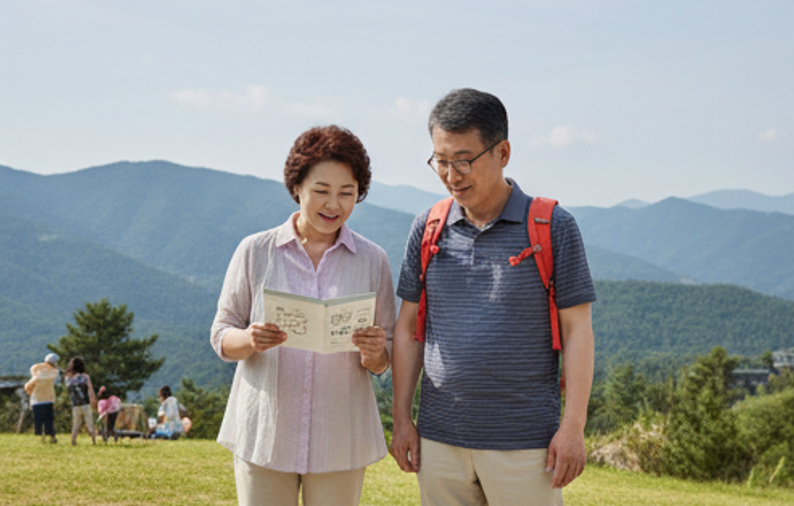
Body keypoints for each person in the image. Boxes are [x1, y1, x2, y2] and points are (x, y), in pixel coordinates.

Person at [389, 88, 597, 506]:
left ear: (503, 152)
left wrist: (572, 428)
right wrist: (401, 420)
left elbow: (578, 332)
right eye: (440, 161)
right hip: (440, 438)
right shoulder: (426, 228)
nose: (452, 175)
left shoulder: (553, 226)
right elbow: (409, 328)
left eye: (464, 160)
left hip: (526, 444)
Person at [211, 125, 395, 506]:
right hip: (265, 432)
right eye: (321, 191)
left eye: (347, 193)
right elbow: (221, 335)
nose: (334, 205)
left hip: (339, 436)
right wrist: (250, 339)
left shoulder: (373, 260)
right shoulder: (256, 251)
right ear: (297, 188)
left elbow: (384, 358)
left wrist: (376, 352)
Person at [24, 353, 60, 443]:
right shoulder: (51, 374)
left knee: (39, 420)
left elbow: (28, 386)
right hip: (48, 399)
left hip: (37, 400)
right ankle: (50, 436)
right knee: (49, 420)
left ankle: (42, 437)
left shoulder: (38, 372)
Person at [64, 356, 97, 446]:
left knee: (76, 423)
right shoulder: (85, 377)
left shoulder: (68, 378)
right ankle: (93, 439)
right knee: (89, 422)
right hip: (85, 403)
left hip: (75, 403)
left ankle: (73, 439)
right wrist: (93, 399)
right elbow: (90, 389)